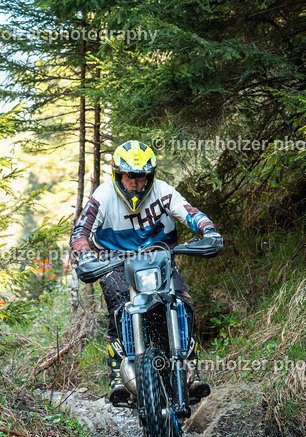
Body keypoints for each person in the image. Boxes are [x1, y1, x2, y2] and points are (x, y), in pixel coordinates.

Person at [69, 139, 222, 405]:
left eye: (141, 176)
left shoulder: (163, 191)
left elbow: (190, 213)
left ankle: (190, 368)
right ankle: (118, 375)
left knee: (182, 302)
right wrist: (85, 255)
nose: (135, 182)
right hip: (116, 262)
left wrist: (208, 230)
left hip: (159, 257)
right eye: (129, 176)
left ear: (149, 176)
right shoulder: (103, 196)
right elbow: (80, 232)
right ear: (118, 174)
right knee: (119, 306)